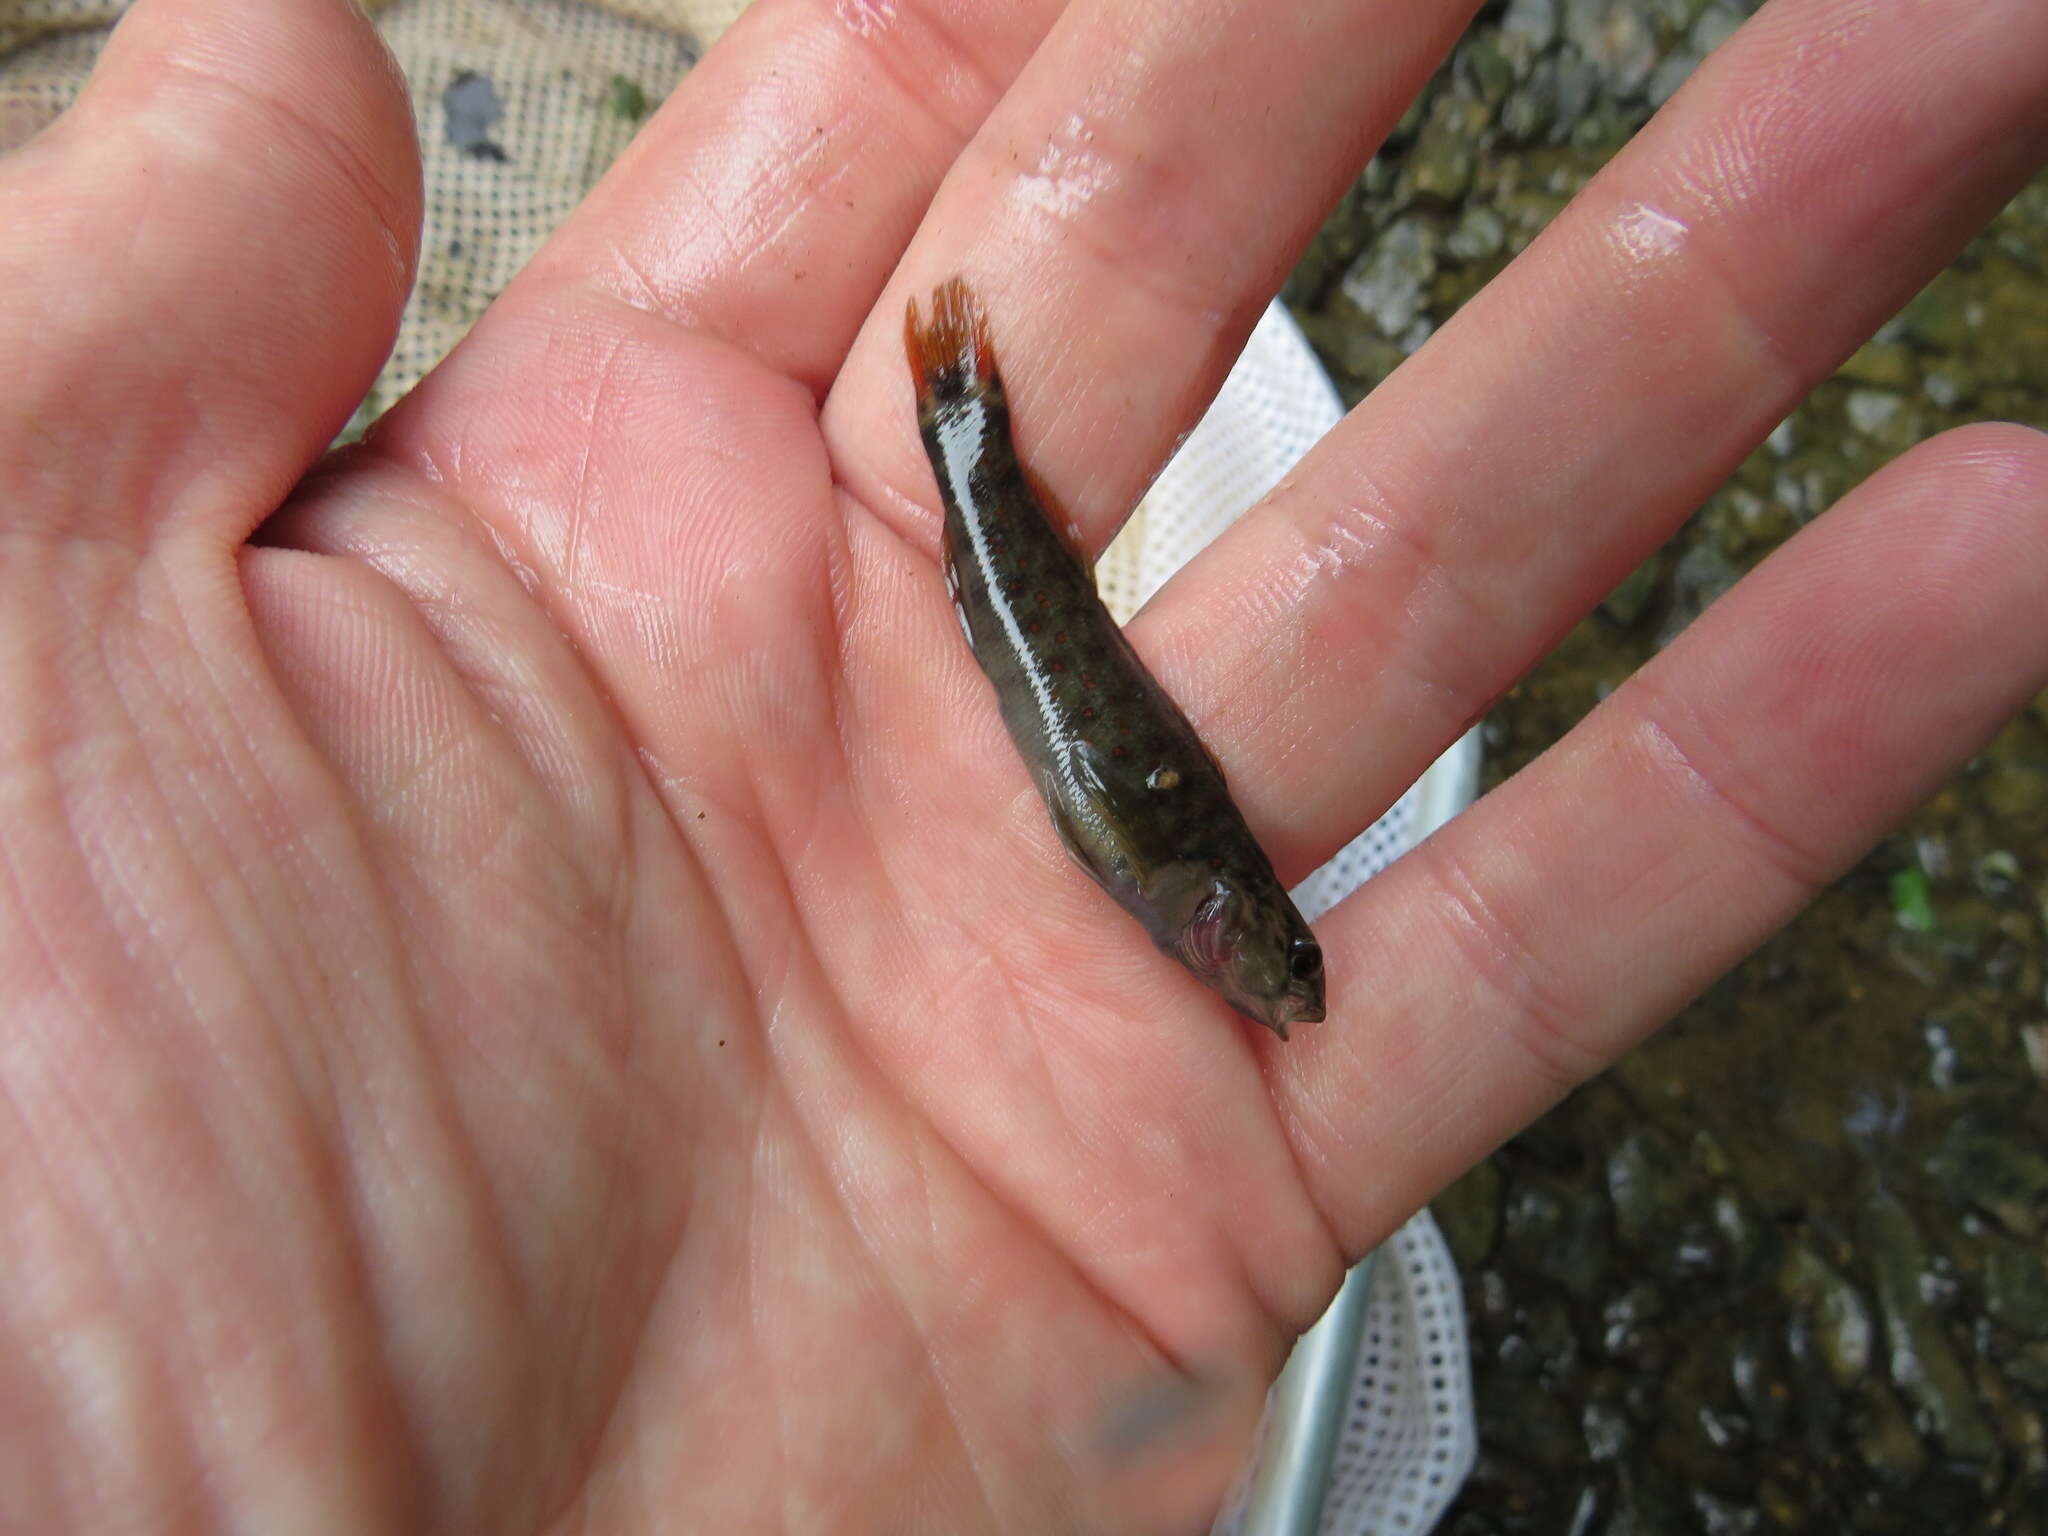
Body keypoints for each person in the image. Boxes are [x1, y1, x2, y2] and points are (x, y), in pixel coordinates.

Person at [1, 0, 2042, 1528]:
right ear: (1230, 940)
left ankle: (962, 427)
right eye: (1278, 969)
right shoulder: (1201, 905)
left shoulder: (1200, 908)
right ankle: (959, 425)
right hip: (1002, 580)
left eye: (1274, 975)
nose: (1277, 986)